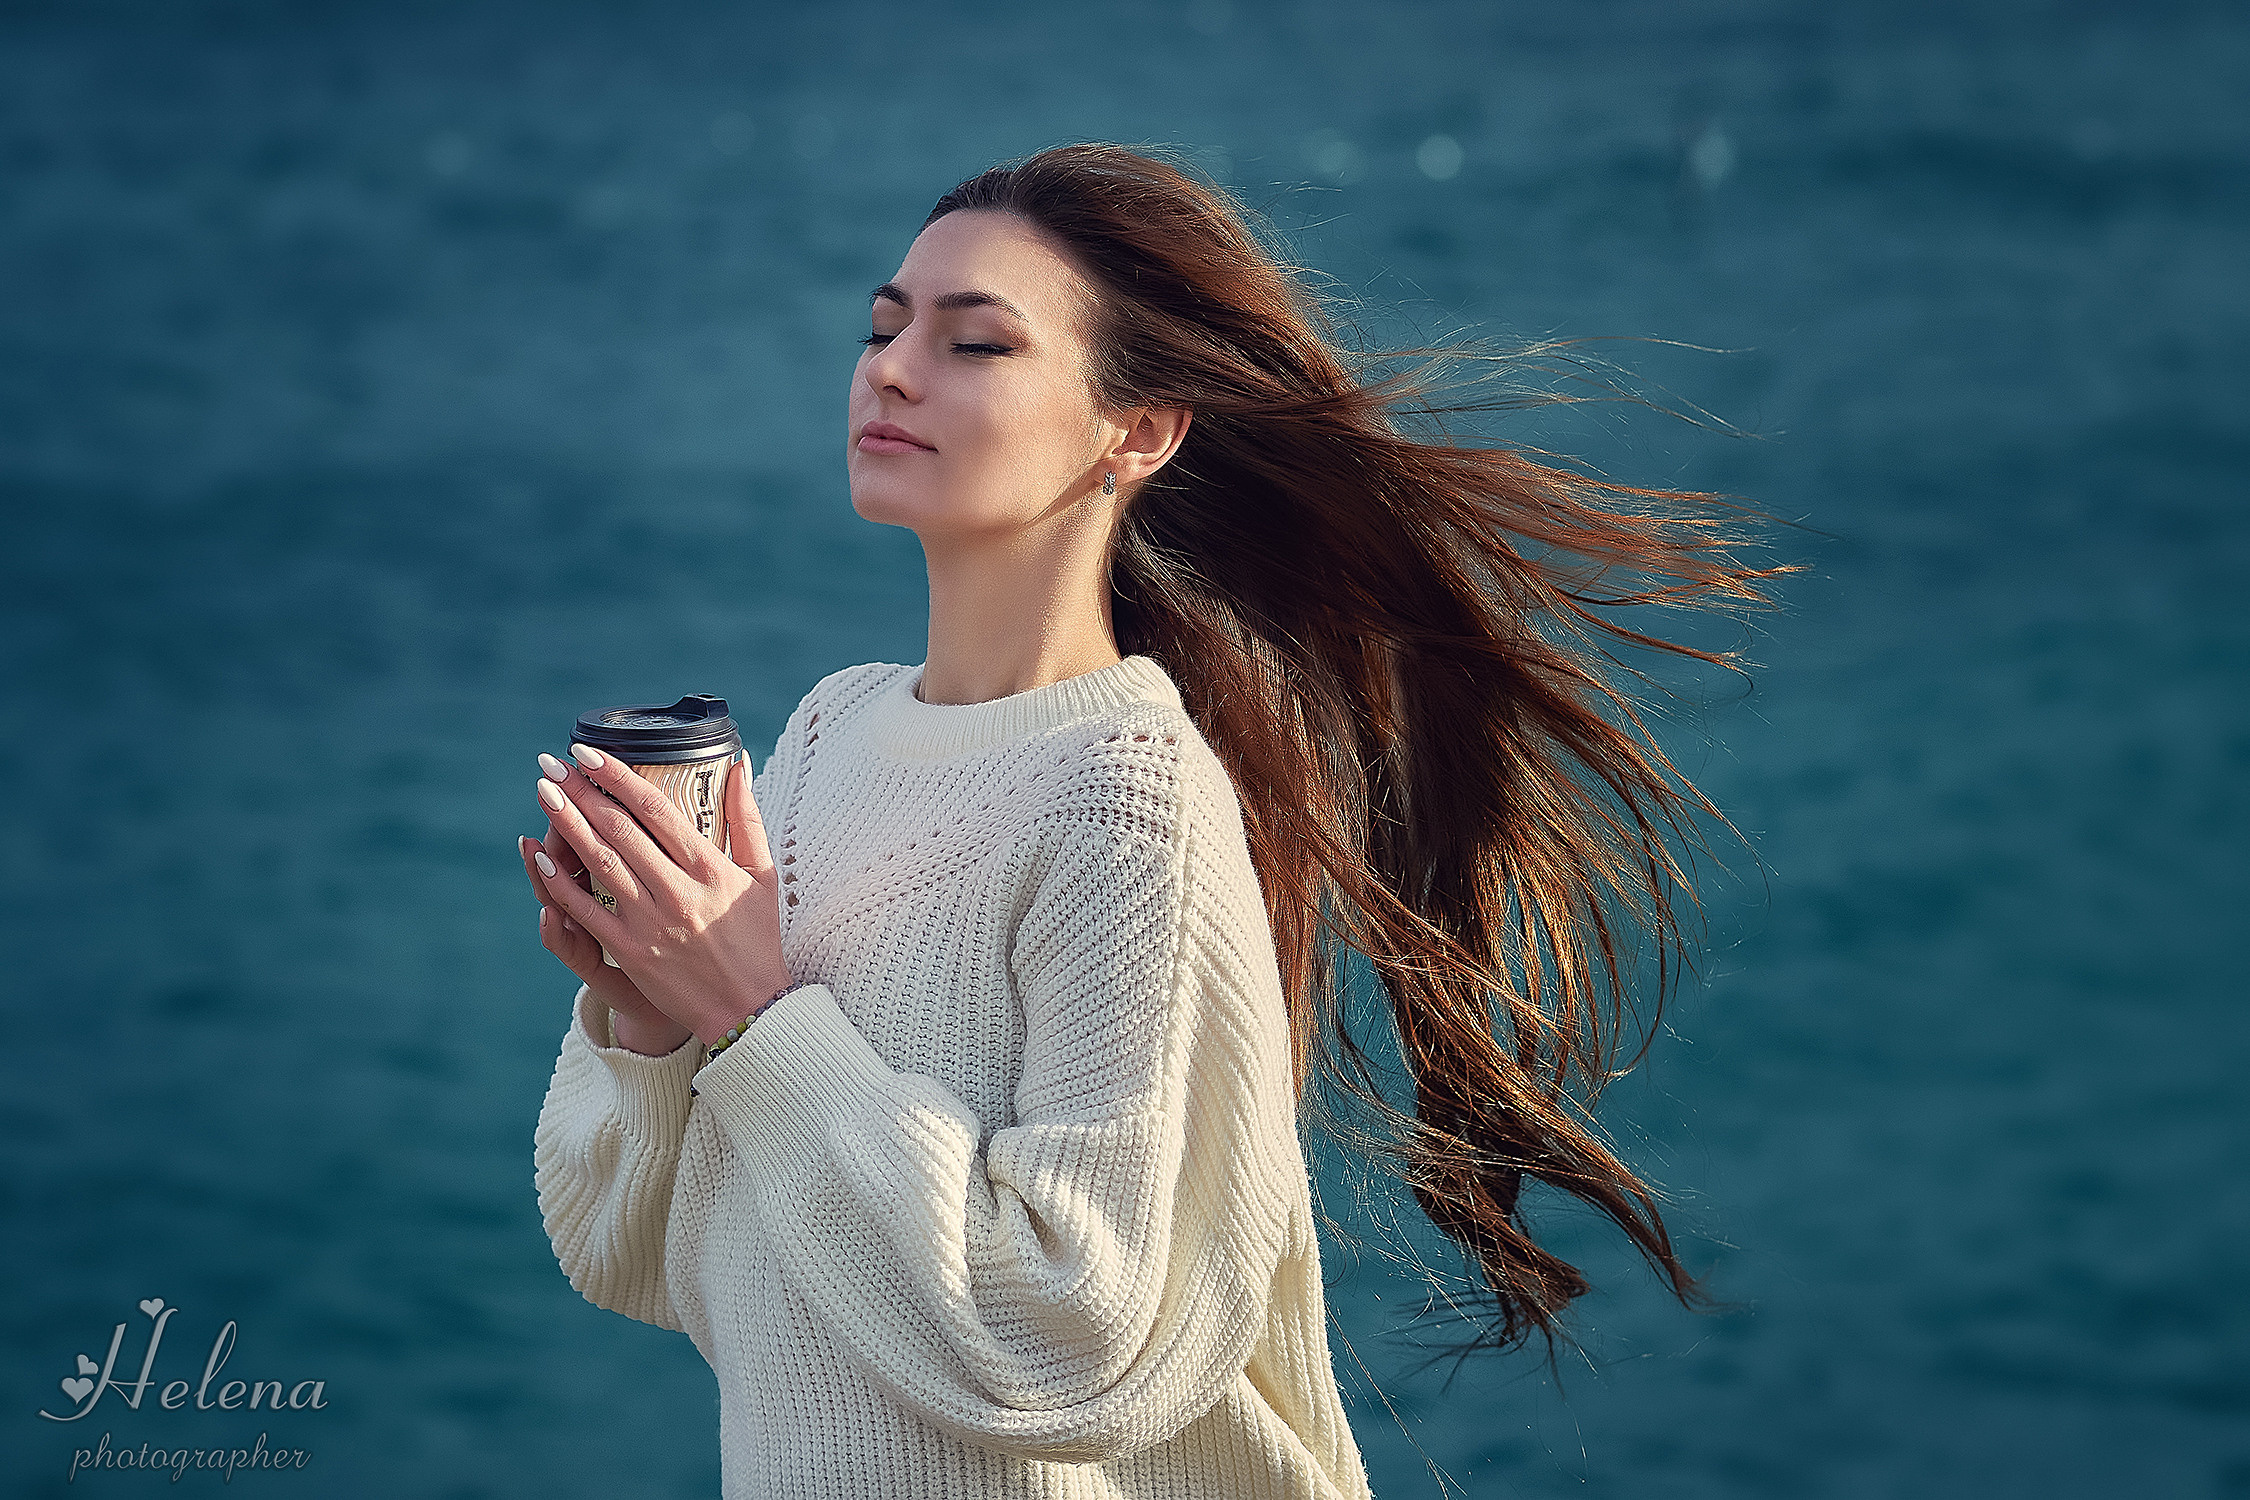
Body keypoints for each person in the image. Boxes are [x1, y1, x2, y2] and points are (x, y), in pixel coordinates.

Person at [517, 143, 1777, 1499]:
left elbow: (1072, 1347)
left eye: (974, 343)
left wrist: (758, 1022)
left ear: (1140, 430)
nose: (888, 369)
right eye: (882, 328)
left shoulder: (1128, 798)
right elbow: (632, 1257)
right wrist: (651, 1025)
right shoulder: (828, 737)